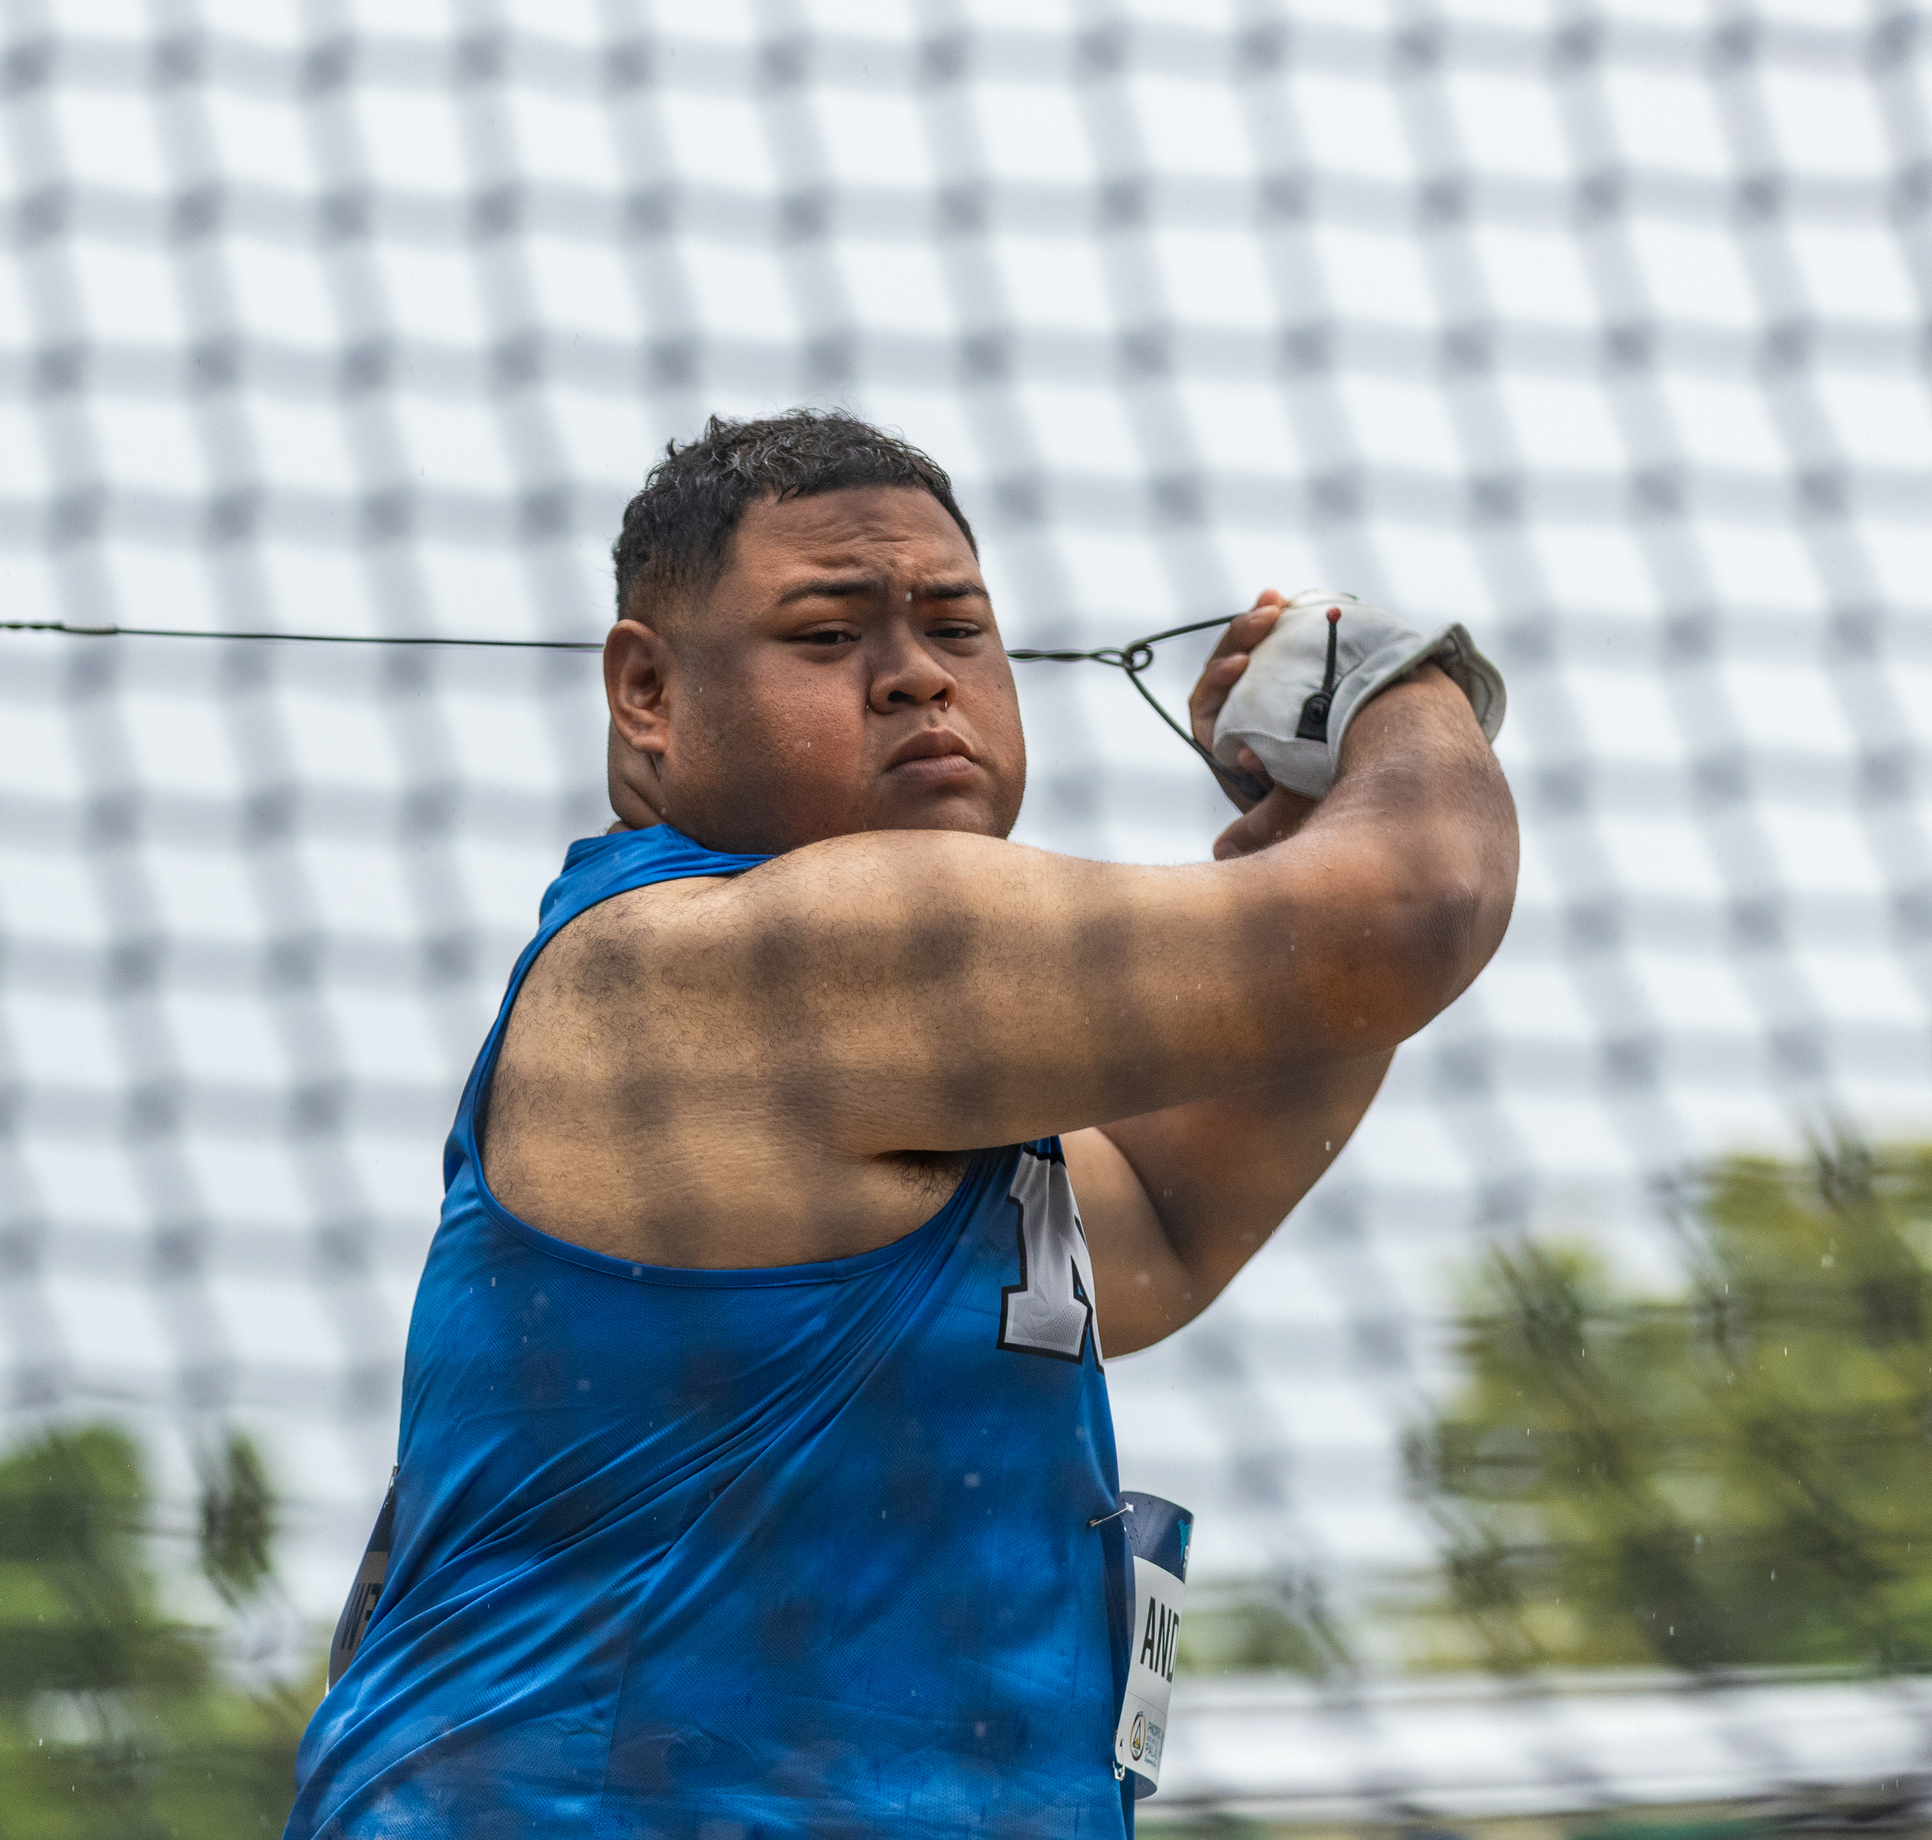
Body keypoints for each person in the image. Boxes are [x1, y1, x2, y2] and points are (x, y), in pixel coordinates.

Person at [285, 410, 1518, 1839]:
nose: (916, 675)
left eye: (958, 625)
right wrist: (1393, 687)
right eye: (828, 635)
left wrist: (1305, 819)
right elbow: (1413, 909)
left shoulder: (883, 1075)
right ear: (646, 696)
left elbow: (1175, 1221)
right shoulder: (745, 962)